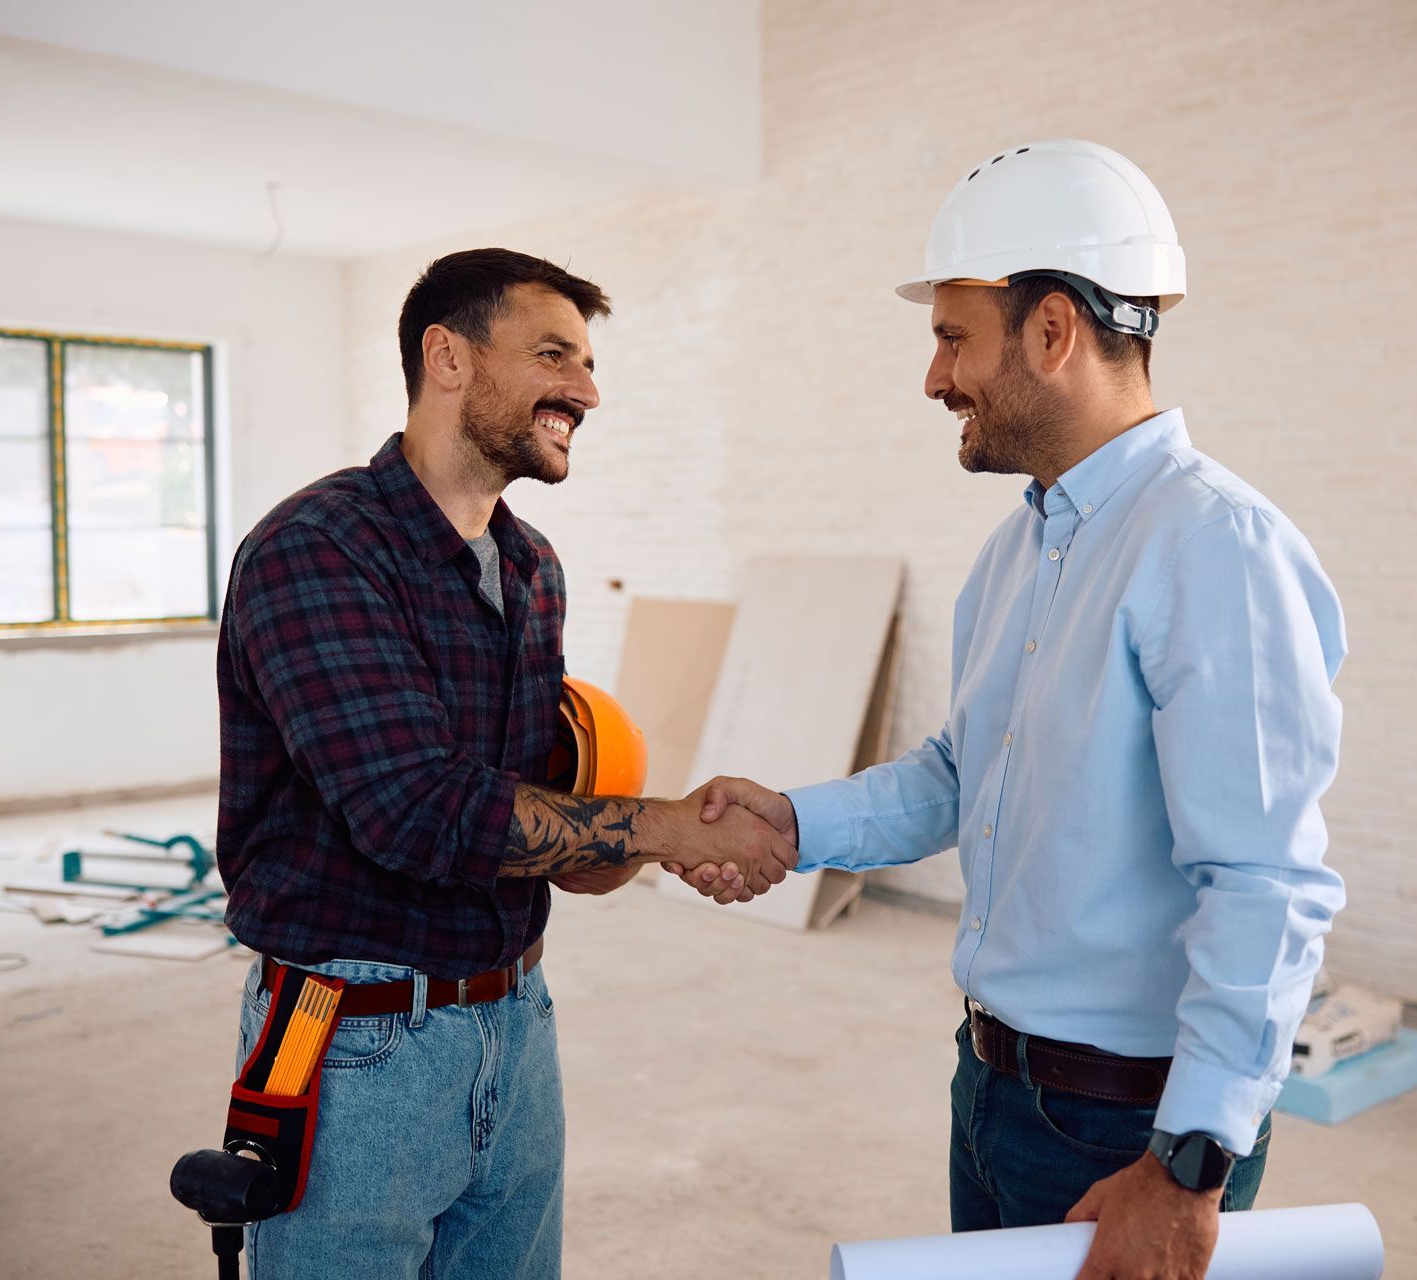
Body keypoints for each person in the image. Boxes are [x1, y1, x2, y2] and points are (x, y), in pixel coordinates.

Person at [691, 141, 1347, 1280]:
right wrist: (795, 821)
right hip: (995, 1088)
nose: (935, 378)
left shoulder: (1213, 547)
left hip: (1129, 1127)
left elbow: (1267, 882)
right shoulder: (1019, 549)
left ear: (1053, 332)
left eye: (953, 338)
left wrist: (1188, 1164)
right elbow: (962, 771)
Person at [215, 248, 793, 1280]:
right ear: (448, 356)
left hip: (516, 1020)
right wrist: (660, 823)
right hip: (352, 1038)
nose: (587, 389)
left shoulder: (532, 566)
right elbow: (415, 808)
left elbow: (531, 792)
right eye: (553, 353)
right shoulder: (317, 547)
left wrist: (614, 846)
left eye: (588, 360)